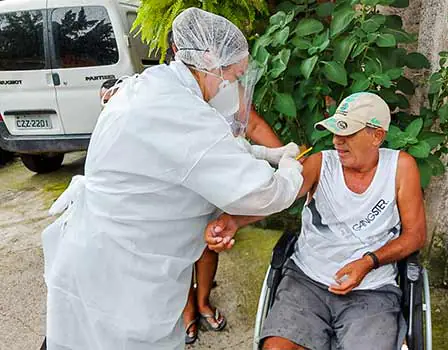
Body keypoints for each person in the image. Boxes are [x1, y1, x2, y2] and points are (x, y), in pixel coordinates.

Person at [41, 8, 304, 350]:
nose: (235, 86)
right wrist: (292, 168)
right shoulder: (179, 111)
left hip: (101, 254)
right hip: (121, 279)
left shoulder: (151, 87)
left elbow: (196, 155)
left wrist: (266, 154)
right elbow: (262, 194)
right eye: (234, 75)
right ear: (210, 62)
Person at [206, 92, 427, 350]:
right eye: (335, 133)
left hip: (372, 290)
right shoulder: (322, 163)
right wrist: (233, 222)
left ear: (377, 135)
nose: (337, 142)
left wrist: (369, 262)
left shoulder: (400, 168)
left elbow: (415, 235)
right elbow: (280, 197)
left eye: (348, 134)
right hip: (306, 282)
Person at [164, 28, 284, 344]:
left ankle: (202, 300)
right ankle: (185, 308)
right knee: (178, 247)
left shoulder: (226, 84)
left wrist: (286, 157)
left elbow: (253, 124)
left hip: (220, 178)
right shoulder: (167, 92)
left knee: (211, 239)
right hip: (182, 184)